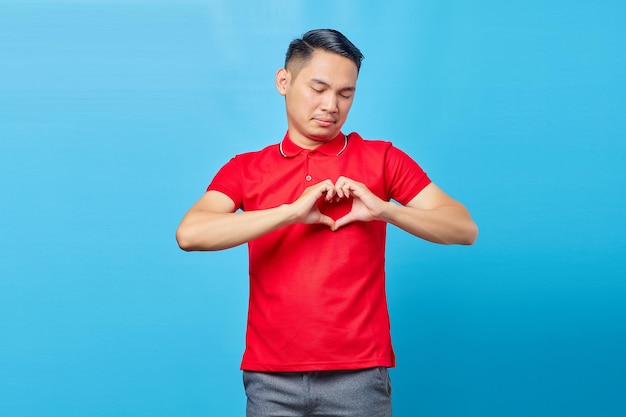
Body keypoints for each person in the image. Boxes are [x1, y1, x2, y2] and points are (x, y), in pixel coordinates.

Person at [176, 28, 478, 417]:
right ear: (283, 82)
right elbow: (190, 233)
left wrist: (384, 209)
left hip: (359, 377)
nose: (331, 105)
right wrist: (290, 212)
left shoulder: (382, 158)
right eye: (318, 88)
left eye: (345, 93)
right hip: (271, 378)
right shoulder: (246, 168)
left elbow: (463, 227)